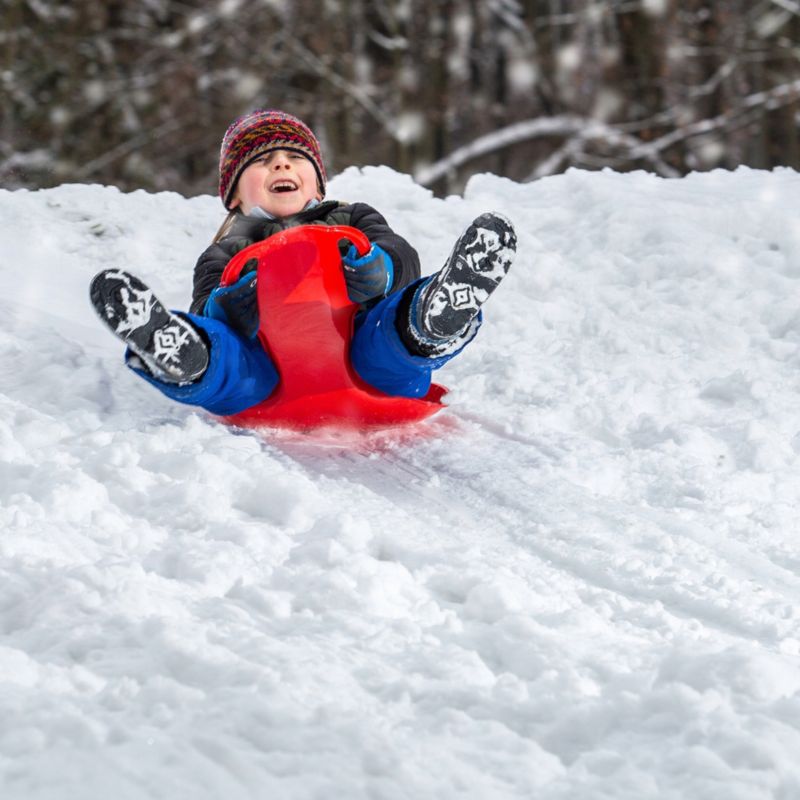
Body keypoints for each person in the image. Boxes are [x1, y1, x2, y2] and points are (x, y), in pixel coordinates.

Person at [90, 109, 517, 417]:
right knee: (230, 361)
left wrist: (380, 269)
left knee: (389, 335)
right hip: (268, 375)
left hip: (362, 354)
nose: (280, 163)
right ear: (234, 195)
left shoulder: (353, 218)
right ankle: (187, 355)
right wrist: (227, 305)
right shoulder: (225, 252)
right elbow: (206, 304)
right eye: (261, 161)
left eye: (295, 158)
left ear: (317, 182)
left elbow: (402, 255)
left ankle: (432, 319)